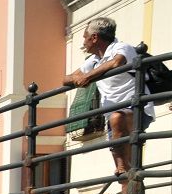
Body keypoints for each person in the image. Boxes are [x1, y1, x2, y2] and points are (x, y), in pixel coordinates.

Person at [63, 16, 155, 176]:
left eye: (85, 37)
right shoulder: (93, 61)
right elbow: (65, 79)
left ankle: (122, 166)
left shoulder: (122, 48)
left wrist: (88, 76)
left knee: (116, 118)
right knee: (126, 174)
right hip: (113, 120)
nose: (83, 42)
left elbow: (116, 62)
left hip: (137, 109)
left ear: (94, 37)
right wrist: (77, 78)